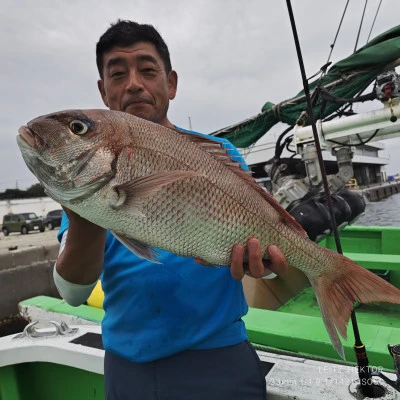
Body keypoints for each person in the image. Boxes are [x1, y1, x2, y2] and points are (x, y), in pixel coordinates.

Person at [54, 20, 288, 400]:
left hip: (221, 357)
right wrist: (85, 215)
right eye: (117, 73)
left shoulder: (221, 154)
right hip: (128, 366)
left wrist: (268, 266)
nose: (133, 83)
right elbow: (73, 292)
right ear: (103, 91)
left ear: (171, 82)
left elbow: (268, 254)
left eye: (147, 70)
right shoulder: (89, 169)